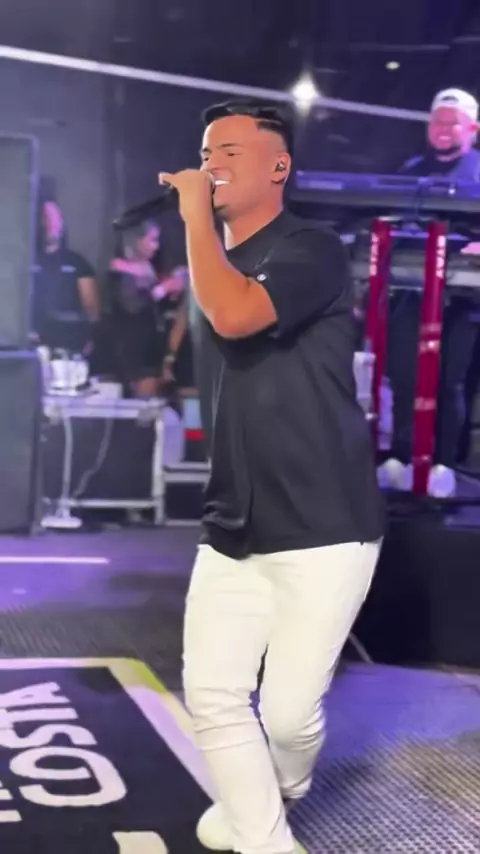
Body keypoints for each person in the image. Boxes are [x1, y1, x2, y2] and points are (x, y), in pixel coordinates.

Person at [160, 100, 384, 854]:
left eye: (229, 151)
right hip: (233, 519)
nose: (211, 163)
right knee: (214, 694)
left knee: (287, 718)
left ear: (278, 166)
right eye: (204, 153)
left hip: (325, 521)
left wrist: (195, 216)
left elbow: (236, 315)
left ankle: (276, 790)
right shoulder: (210, 263)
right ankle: (263, 836)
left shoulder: (312, 249)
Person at [383, 88, 480, 496]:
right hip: (412, 290)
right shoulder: (412, 169)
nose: (442, 129)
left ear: (472, 129)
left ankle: (443, 463)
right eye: (437, 121)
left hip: (465, 298)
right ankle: (402, 457)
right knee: (404, 378)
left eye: (452, 123)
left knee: (449, 382)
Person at [107, 219, 187, 397]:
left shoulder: (148, 267)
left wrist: (173, 287)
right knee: (142, 403)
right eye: (152, 240)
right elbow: (133, 305)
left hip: (152, 350)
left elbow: (155, 303)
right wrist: (164, 288)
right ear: (136, 240)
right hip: (132, 353)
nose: (156, 246)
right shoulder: (119, 270)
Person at [32, 200, 100, 352]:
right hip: (33, 346)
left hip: (68, 347)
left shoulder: (77, 263)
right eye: (45, 217)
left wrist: (89, 337)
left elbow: (92, 310)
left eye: (54, 218)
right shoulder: (27, 261)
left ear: (62, 223)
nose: (50, 224)